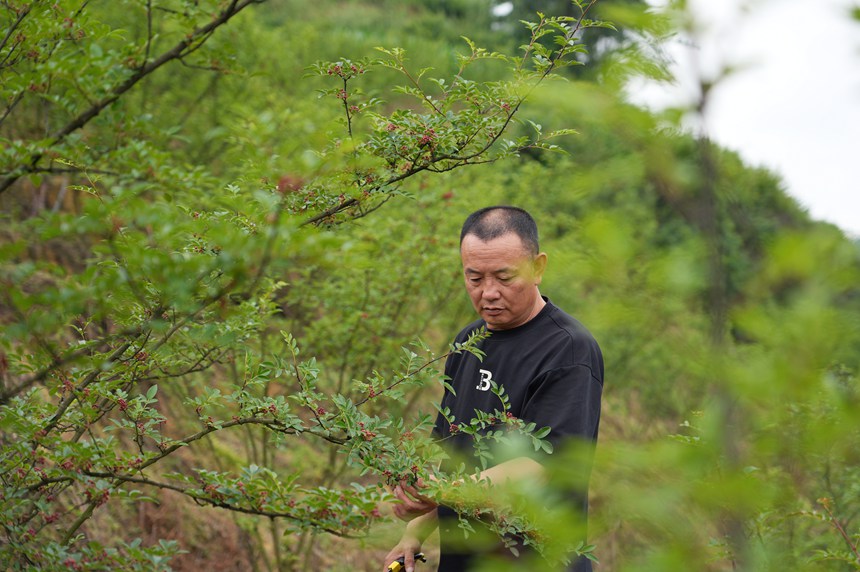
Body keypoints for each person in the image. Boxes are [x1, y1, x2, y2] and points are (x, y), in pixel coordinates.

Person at [383, 206, 603, 572]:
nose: (488, 293)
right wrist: (414, 532)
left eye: (504, 277)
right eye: (474, 278)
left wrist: (440, 492)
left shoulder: (569, 349)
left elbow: (542, 465)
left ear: (538, 267)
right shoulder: (469, 341)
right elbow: (452, 456)